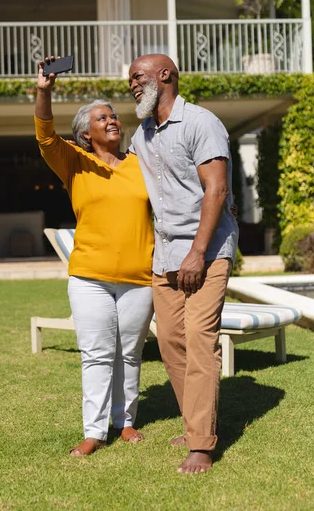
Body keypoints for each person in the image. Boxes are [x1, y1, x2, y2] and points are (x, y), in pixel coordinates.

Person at [34, 57, 154, 456]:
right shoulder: (74, 162)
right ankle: (94, 430)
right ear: (86, 133)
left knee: (130, 353)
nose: (113, 121)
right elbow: (45, 136)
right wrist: (44, 92)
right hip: (90, 276)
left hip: (140, 276)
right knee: (98, 353)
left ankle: (127, 421)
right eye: (103, 118)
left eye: (114, 116)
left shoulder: (140, 165)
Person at [128, 54, 239, 474]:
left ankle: (200, 443)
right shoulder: (143, 134)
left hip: (205, 251)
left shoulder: (201, 123)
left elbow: (216, 189)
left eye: (139, 77)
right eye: (131, 81)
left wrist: (197, 252)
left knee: (198, 339)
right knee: (172, 344)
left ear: (166, 76)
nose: (134, 85)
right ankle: (196, 421)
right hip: (165, 255)